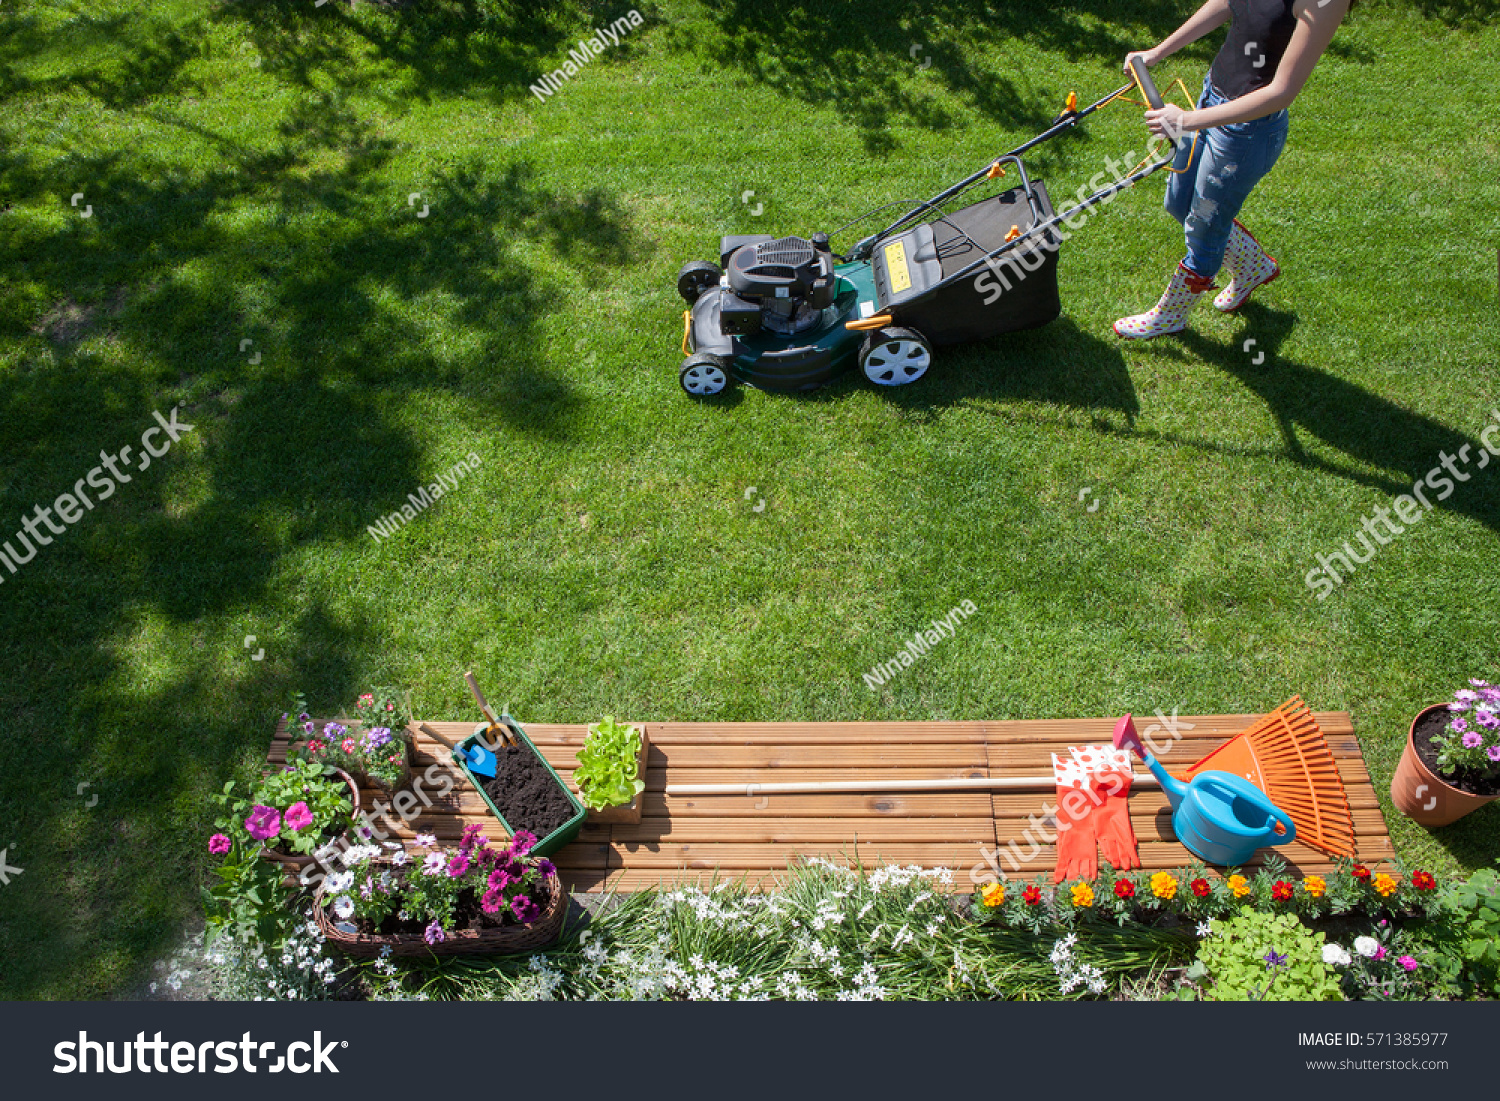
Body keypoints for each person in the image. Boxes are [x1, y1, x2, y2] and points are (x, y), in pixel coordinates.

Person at [1114, 0, 1351, 339]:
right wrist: (1156, 52)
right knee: (1178, 203)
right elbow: (1227, 3)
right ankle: (1252, 266)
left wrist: (1185, 121)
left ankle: (1171, 316)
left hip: (1246, 133)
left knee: (1204, 227)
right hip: (1211, 97)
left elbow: (1280, 93)